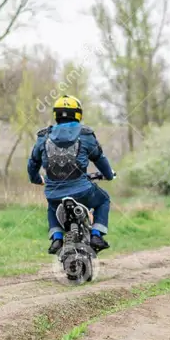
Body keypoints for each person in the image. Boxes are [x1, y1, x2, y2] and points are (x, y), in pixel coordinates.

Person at [27, 96, 115, 254]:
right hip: (83, 191)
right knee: (104, 199)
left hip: (54, 194)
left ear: (56, 115)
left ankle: (56, 238)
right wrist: (108, 175)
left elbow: (33, 163)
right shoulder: (86, 135)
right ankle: (96, 235)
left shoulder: (43, 137)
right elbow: (100, 159)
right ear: (78, 114)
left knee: (52, 206)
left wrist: (36, 179)